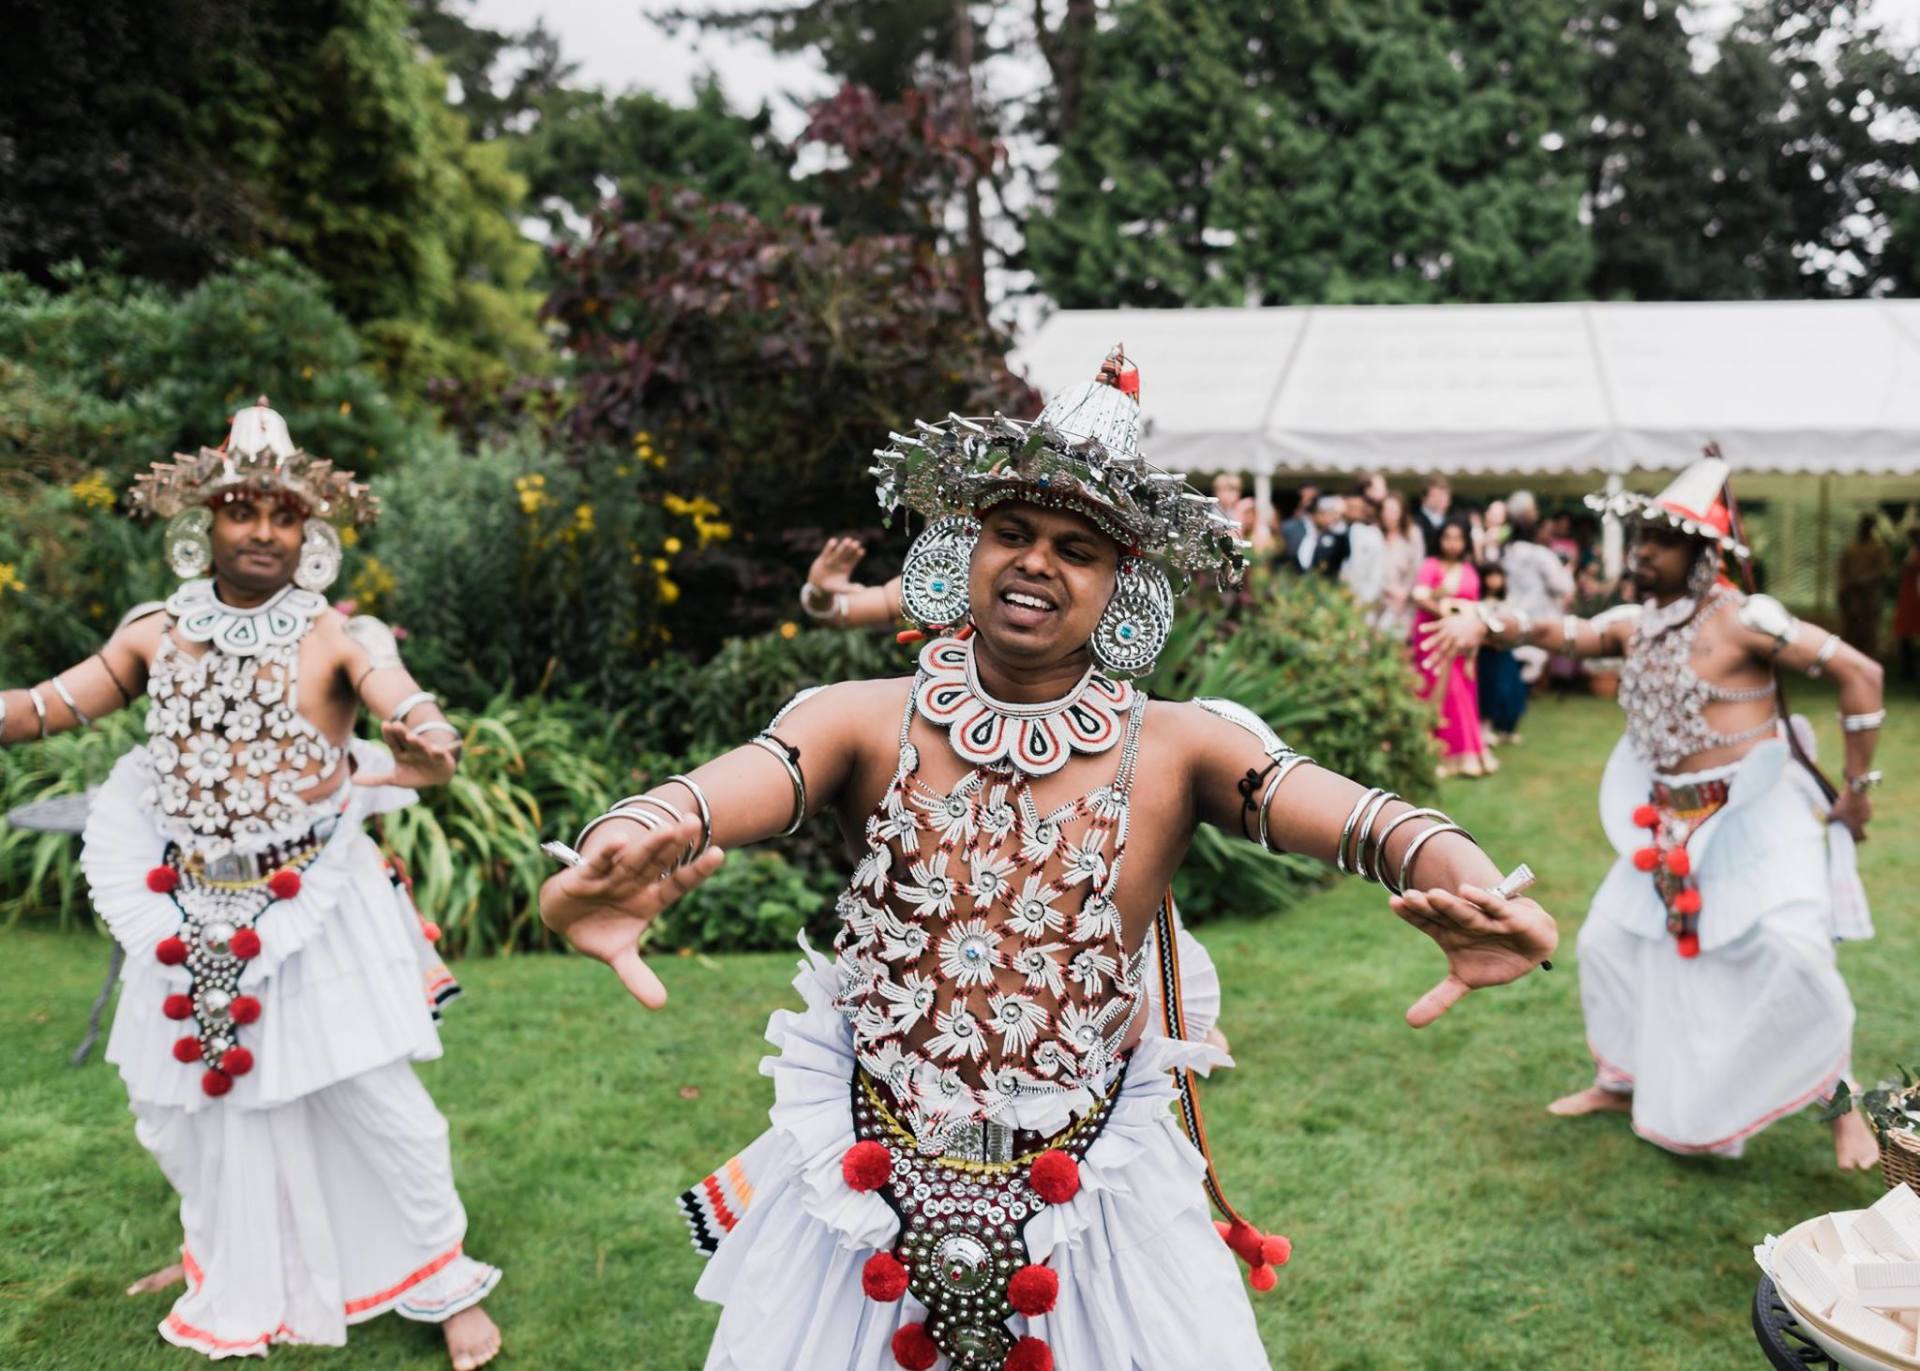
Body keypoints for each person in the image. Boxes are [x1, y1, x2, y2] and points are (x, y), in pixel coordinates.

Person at [537, 348, 1556, 1371]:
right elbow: (707, 795)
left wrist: (1471, 879)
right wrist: (612, 852)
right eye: (1011, 532)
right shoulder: (854, 721)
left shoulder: (1185, 747)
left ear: (1123, 588)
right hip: (864, 1181)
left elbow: (1367, 821)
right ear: (961, 551)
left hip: (1099, 1197)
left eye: (1078, 548)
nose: (1035, 563)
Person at [0, 400, 502, 1365]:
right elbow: (42, 707)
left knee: (379, 1104)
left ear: (309, 532)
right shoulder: (152, 631)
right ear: (206, 524)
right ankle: (221, 1256)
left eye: (283, 514)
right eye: (242, 510)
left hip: (313, 903)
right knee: (183, 1111)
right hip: (184, 902)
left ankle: (444, 1280)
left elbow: (410, 705)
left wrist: (423, 738)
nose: (264, 531)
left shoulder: (338, 636)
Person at [1424, 455, 1885, 1167]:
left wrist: (1857, 788)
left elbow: (1863, 673)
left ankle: (1841, 1109)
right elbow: (1562, 633)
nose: (1641, 552)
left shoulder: (1748, 619)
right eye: (1639, 537)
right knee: (1608, 944)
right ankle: (1621, 1079)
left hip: (1761, 816)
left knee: (1796, 961)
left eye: (1660, 540)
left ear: (1703, 554)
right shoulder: (1635, 624)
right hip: (1666, 826)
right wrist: (1489, 619)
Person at [1412, 520, 1496, 779]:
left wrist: (1464, 624)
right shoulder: (1430, 566)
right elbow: (1419, 596)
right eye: (1447, 537)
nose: (1452, 543)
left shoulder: (1469, 570)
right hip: (1433, 637)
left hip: (1462, 641)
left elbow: (1475, 607)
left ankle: (1466, 754)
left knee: (1461, 692)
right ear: (1440, 539)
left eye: (1458, 538)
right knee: (1435, 692)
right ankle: (1431, 754)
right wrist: (1447, 612)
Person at [1500, 492, 1575, 688]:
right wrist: (1567, 571)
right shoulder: (1540, 554)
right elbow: (1561, 586)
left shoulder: (1506, 551)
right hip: (1536, 619)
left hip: (1510, 615)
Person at [1474, 563, 1528, 746]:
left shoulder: (1508, 601)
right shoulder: (1478, 602)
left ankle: (1507, 728)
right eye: (1490, 576)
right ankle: (1484, 729)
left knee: (1509, 691)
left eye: (1498, 576)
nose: (1494, 580)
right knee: (1487, 691)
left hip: (1504, 652)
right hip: (1485, 653)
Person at [1374, 491, 1425, 640]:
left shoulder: (1412, 534)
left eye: (1393, 511)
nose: (1389, 515)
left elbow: (1417, 569)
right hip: (1376, 599)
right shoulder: (1375, 534)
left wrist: (1404, 593)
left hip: (1401, 604)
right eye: (1386, 510)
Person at [1837, 514, 1889, 659]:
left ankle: (1868, 657)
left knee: (1868, 629)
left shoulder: (1877, 548)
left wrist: (1863, 580)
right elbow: (1841, 569)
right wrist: (1844, 586)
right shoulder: (1851, 548)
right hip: (1851, 594)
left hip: (1869, 596)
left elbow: (1882, 570)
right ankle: (1848, 657)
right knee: (1850, 627)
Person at [1280, 494, 1350, 578]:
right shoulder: (1290, 528)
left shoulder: (1336, 536)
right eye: (1331, 514)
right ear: (1318, 512)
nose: (1335, 518)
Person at [1340, 487, 1387, 609]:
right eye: (1350, 507)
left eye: (1357, 508)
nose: (1353, 511)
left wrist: (1364, 600)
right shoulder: (1336, 531)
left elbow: (1376, 572)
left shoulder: (1373, 535)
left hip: (1361, 601)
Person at [1896, 525, 1920, 682]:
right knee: (1905, 635)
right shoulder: (1913, 552)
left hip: (1915, 599)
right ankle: (1908, 670)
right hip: (1909, 598)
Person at [1413, 475, 1452, 552]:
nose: (1441, 499)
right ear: (1424, 498)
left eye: (1444, 494)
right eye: (1435, 495)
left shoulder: (1449, 521)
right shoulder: (1415, 522)